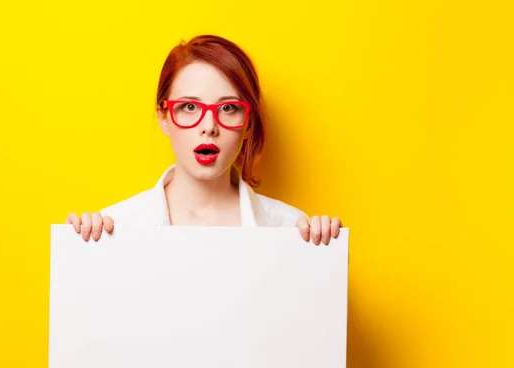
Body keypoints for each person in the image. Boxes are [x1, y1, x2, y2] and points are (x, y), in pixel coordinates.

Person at [65, 34, 343, 245]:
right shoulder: (115, 228)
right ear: (163, 116)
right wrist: (81, 251)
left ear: (248, 124)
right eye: (189, 107)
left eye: (228, 108)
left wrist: (325, 254)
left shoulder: (293, 231)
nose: (209, 127)